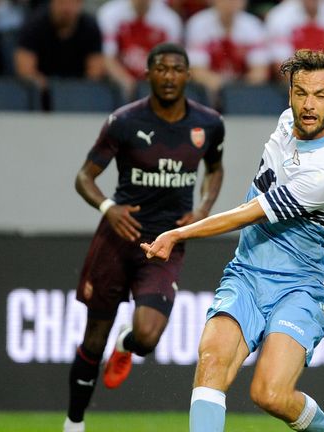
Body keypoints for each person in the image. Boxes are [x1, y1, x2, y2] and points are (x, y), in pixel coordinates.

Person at [141, 49, 324, 432]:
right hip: (247, 273)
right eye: (300, 92)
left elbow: (248, 214)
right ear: (289, 94)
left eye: (320, 95)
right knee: (211, 361)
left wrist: (178, 232)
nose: (308, 105)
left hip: (299, 287)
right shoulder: (287, 120)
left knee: (269, 394)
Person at [64, 42, 225, 432]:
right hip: (119, 238)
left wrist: (202, 210)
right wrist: (108, 209)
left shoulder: (209, 124)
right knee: (92, 339)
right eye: (161, 68)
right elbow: (84, 177)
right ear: (148, 74)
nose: (169, 76)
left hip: (165, 243)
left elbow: (215, 169)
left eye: (176, 69)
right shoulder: (123, 121)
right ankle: (74, 423)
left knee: (148, 337)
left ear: (188, 75)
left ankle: (128, 344)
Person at [185, 0, 271, 104]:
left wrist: (237, 92)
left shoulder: (253, 25)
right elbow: (197, 71)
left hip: (242, 92)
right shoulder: (198, 23)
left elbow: (260, 72)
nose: (231, 3)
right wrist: (226, 88)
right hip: (206, 94)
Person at [97, 0, 183, 100]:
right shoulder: (109, 13)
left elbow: (172, 61)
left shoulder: (170, 19)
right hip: (119, 83)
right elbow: (107, 57)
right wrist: (126, 81)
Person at [15, 0, 104, 91]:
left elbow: (95, 71)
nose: (67, 8)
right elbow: (25, 71)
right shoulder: (33, 25)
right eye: (62, 2)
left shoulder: (90, 27)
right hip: (43, 92)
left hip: (79, 92)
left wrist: (77, 89)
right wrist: (52, 89)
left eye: (72, 3)